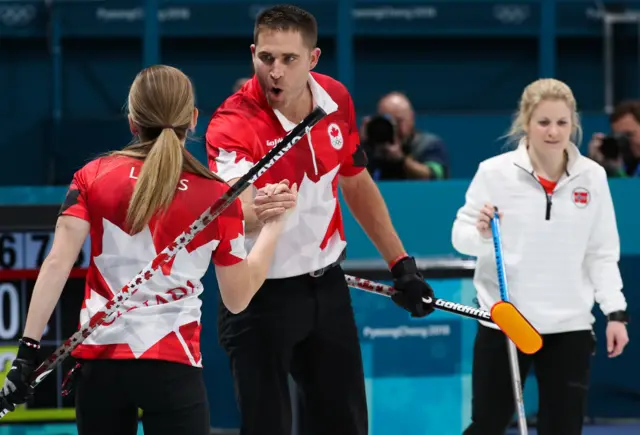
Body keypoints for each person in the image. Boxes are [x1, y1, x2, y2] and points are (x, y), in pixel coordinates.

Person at [0, 65, 296, 435]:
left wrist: (26, 353)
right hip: (173, 370)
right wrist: (275, 224)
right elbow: (238, 299)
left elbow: (57, 264)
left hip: (101, 368)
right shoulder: (218, 197)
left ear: (132, 120)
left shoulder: (92, 176)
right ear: (193, 120)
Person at [205, 4, 436, 435]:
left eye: (289, 59)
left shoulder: (336, 100)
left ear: (312, 59)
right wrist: (264, 207)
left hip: (327, 287)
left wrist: (401, 265)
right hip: (258, 300)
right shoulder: (231, 123)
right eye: (266, 58)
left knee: (346, 426)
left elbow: (356, 182)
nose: (275, 71)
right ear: (253, 53)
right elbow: (234, 215)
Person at [451, 78, 630, 435]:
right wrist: (483, 233)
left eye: (562, 123)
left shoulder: (592, 177)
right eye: (543, 122)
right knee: (487, 424)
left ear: (573, 124)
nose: (553, 132)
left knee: (563, 428)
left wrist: (616, 312)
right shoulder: (494, 172)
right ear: (526, 123)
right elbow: (461, 238)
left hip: (569, 327)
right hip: (506, 322)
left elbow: (602, 252)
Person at [587, 99, 640, 178]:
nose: (624, 141)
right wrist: (593, 164)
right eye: (619, 136)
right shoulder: (622, 163)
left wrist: (617, 173)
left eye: (629, 134)